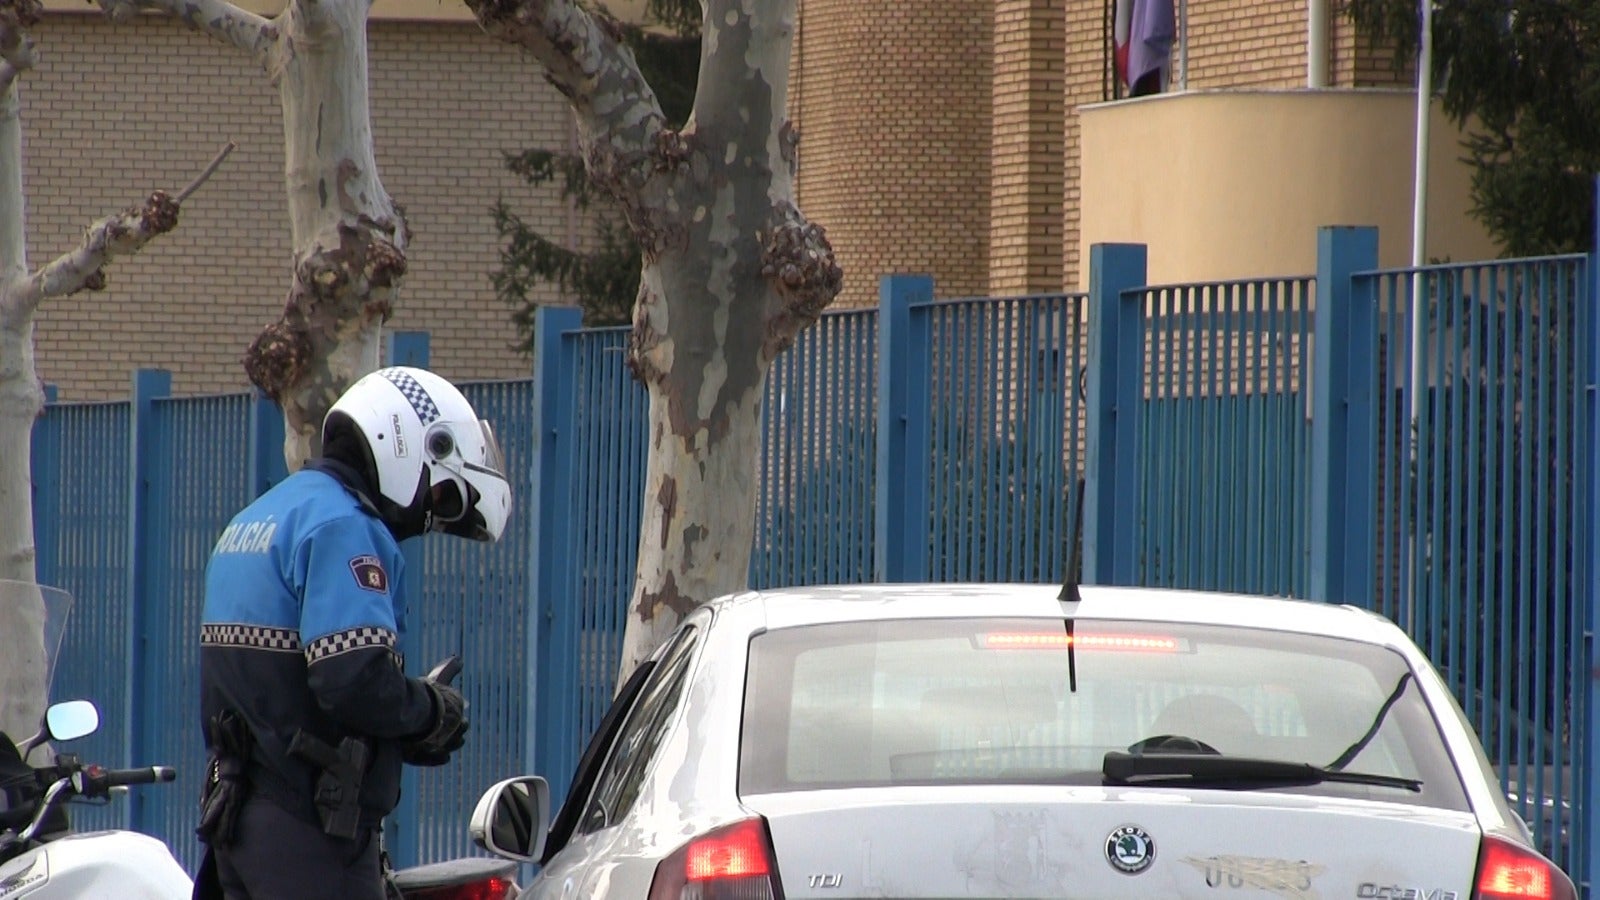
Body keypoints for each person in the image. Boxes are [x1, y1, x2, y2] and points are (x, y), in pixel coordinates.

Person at [191, 367, 512, 900]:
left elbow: (283, 690)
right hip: (309, 835)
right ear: (410, 442)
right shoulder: (343, 525)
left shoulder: (259, 518)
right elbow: (350, 679)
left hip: (237, 825)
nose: (428, 517)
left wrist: (400, 725)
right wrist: (430, 711)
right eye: (440, 497)